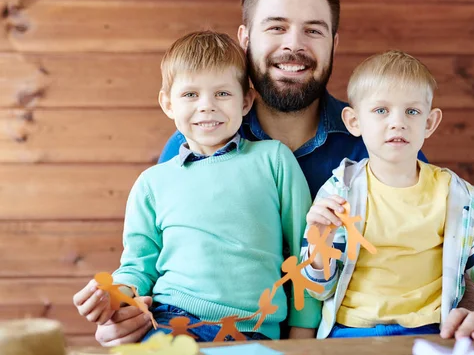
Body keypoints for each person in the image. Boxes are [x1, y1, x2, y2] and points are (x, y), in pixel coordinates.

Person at [94, 0, 474, 346]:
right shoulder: (191, 150)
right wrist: (123, 316)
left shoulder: (379, 140)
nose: (294, 45)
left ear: (333, 44)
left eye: (313, 30)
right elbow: (150, 264)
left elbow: (458, 248)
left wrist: (471, 307)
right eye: (276, 28)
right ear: (245, 38)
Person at [300, 51, 474, 341]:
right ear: (354, 122)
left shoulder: (455, 195)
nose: (397, 122)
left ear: (430, 123)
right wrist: (320, 247)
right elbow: (318, 289)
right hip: (351, 334)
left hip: (432, 333)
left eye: (412, 112)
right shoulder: (339, 190)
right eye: (381, 110)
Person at [73, 31, 319, 342]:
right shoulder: (153, 183)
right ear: (168, 104)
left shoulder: (274, 160)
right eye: (190, 95)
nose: (207, 106)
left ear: (245, 101)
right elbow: (138, 267)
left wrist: (303, 331)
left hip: (250, 333)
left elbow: (306, 250)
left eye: (222, 94)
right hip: (169, 322)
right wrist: (113, 295)